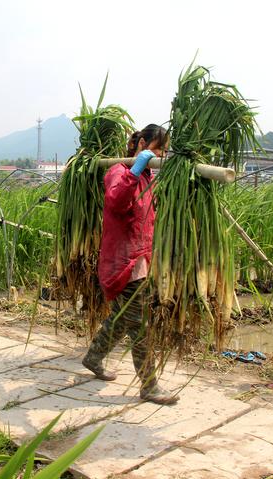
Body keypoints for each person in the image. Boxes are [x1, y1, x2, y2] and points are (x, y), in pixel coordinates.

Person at [81, 124, 180, 405]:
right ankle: (149, 386)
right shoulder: (119, 172)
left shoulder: (148, 179)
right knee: (140, 325)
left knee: (124, 317)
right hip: (122, 262)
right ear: (142, 145)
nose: (161, 154)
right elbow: (115, 201)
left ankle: (93, 357)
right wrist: (135, 170)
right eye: (157, 148)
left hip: (140, 260)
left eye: (163, 150)